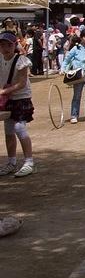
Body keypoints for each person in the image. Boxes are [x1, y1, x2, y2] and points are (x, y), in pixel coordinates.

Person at [0, 31, 35, 178]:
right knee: (8, 131)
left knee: (19, 128)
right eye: (2, 45)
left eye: (9, 44)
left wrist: (3, 91)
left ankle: (29, 161)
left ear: (15, 44)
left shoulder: (21, 60)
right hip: (6, 99)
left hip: (21, 98)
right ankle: (11, 162)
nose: (5, 48)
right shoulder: (0, 59)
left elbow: (21, 83)